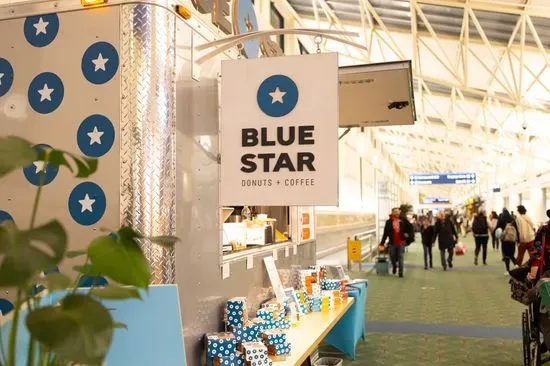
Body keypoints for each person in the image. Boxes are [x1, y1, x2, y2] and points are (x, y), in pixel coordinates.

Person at [380, 207, 407, 278]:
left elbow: (407, 230)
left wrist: (407, 236)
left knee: (401, 257)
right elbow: (385, 233)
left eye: (398, 212)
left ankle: (400, 272)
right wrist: (382, 243)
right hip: (392, 243)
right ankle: (394, 265)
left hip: (401, 243)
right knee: (392, 256)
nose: (397, 213)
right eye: (395, 212)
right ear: (392, 213)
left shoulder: (402, 221)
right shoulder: (388, 222)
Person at [498, 208, 518, 274]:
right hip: (512, 240)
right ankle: (516, 264)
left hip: (505, 240)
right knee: (511, 254)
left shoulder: (501, 220)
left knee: (506, 255)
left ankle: (508, 270)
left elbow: (499, 229)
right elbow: (517, 230)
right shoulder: (512, 220)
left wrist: (500, 237)